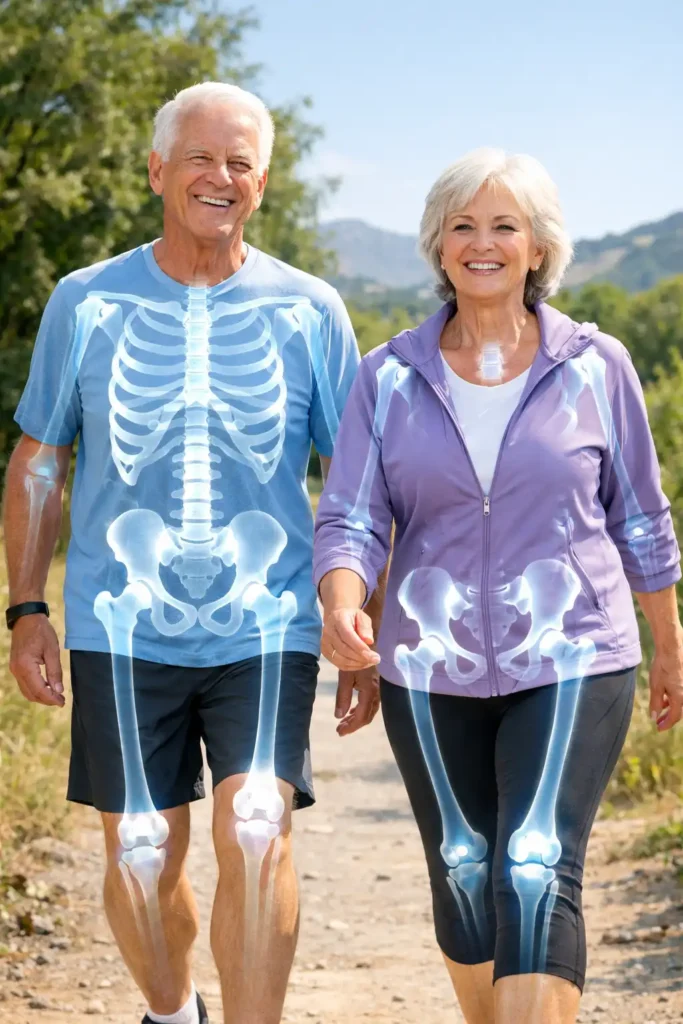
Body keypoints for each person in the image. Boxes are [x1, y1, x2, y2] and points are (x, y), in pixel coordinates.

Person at [3, 82, 375, 1024]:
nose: (221, 177)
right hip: (121, 620)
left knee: (255, 826)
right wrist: (27, 608)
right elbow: (41, 458)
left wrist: (362, 620)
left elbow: (357, 485)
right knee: (138, 850)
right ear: (157, 170)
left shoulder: (311, 310)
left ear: (263, 182)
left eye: (241, 163)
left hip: (266, 618)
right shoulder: (85, 301)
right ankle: (174, 1013)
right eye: (200, 158)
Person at [313, 147, 683, 1024]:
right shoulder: (387, 376)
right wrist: (342, 605)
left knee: (532, 860)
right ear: (437, 245)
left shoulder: (596, 366)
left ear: (538, 247)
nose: (482, 243)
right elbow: (352, 516)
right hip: (428, 663)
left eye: (504, 226)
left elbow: (639, 515)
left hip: (573, 653)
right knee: (464, 867)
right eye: (462, 226)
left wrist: (668, 643)